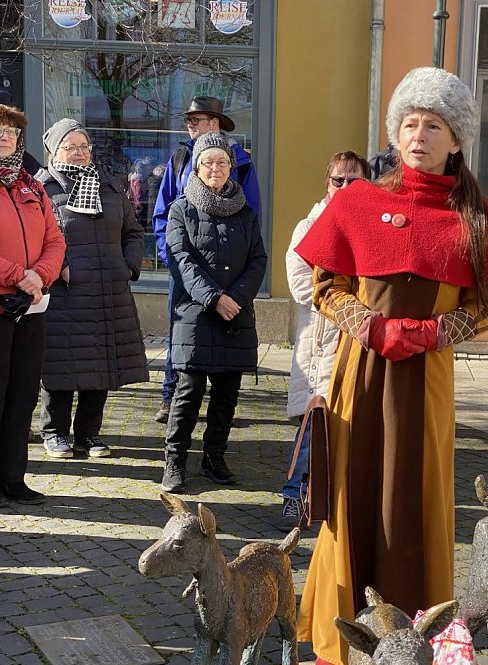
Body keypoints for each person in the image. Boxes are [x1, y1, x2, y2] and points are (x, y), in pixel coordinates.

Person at [293, 67, 488, 665]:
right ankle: (336, 639)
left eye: (433, 125)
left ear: (457, 140)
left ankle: (412, 641)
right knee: (349, 494)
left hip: (425, 380)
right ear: (395, 132)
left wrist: (432, 333)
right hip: (358, 372)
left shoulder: (479, 217)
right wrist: (370, 328)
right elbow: (325, 286)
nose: (418, 134)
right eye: (409, 122)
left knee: (413, 501)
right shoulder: (358, 202)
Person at [36, 119, 148, 459]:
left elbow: (134, 232)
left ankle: (89, 435)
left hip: (108, 291)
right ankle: (54, 433)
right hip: (64, 292)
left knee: (100, 366)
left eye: (84, 146)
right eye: (70, 146)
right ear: (55, 151)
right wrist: (60, 266)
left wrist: (127, 266)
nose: (80, 152)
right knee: (60, 366)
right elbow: (36, 238)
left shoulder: (110, 186)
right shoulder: (42, 189)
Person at [161, 131, 266, 493]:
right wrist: (213, 298)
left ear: (231, 168)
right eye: (208, 162)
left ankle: (214, 458)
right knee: (187, 393)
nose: (216, 167)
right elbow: (180, 260)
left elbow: (258, 260)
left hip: (235, 314)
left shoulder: (246, 213)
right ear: (197, 167)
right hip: (195, 313)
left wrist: (234, 298)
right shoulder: (181, 209)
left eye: (222, 161)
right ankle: (174, 462)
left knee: (227, 394)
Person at [152, 96, 262, 425]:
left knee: (226, 329)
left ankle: (219, 400)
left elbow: (251, 214)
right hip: (187, 269)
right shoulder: (181, 157)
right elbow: (163, 213)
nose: (189, 125)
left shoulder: (240, 163)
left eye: (195, 119)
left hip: (229, 270)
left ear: (214, 122)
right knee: (181, 333)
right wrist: (169, 256)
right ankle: (172, 396)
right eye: (188, 120)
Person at [278, 150, 370, 532]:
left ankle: (344, 503)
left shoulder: (376, 226)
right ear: (327, 183)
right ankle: (294, 496)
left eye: (355, 180)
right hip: (321, 335)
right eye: (339, 180)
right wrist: (345, 307)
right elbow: (300, 281)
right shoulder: (309, 226)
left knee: (353, 424)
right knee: (314, 422)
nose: (346, 187)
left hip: (363, 338)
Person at [0, 104, 65, 505]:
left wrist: (39, 275)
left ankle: (12, 478)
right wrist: (17, 274)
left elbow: (55, 240)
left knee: (23, 395)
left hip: (31, 307)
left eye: (11, 131)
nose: (6, 137)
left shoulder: (30, 186)